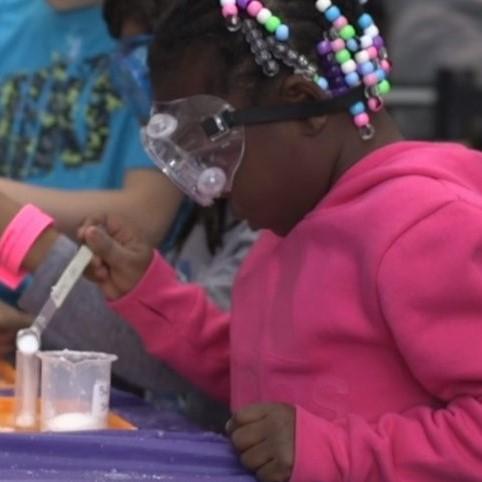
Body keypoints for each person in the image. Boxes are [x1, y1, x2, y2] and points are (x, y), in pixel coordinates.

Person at [77, 1, 482, 481]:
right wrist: (151, 293)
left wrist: (332, 452)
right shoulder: (289, 226)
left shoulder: (429, 227)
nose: (213, 185)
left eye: (219, 150)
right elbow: (259, 371)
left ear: (301, 104)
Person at [0, 0, 257, 431]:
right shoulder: (223, 207)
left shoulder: (275, 221)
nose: (142, 79)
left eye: (148, 52)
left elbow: (200, 363)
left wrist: (25, 236)